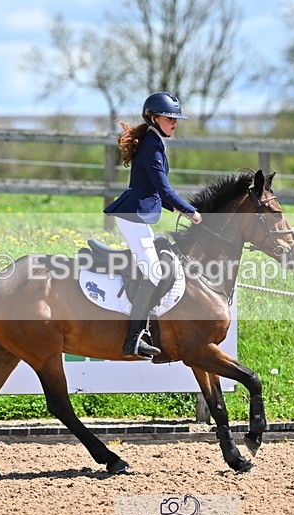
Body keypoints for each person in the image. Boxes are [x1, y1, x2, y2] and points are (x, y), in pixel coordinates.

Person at [104, 92, 202, 359]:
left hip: (138, 215)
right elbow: (163, 189)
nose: (174, 123)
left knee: (155, 264)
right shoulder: (151, 145)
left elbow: (155, 192)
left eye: (176, 119)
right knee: (155, 273)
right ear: (153, 117)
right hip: (132, 216)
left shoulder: (155, 141)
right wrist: (191, 211)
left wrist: (176, 208)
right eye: (170, 118)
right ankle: (133, 340)